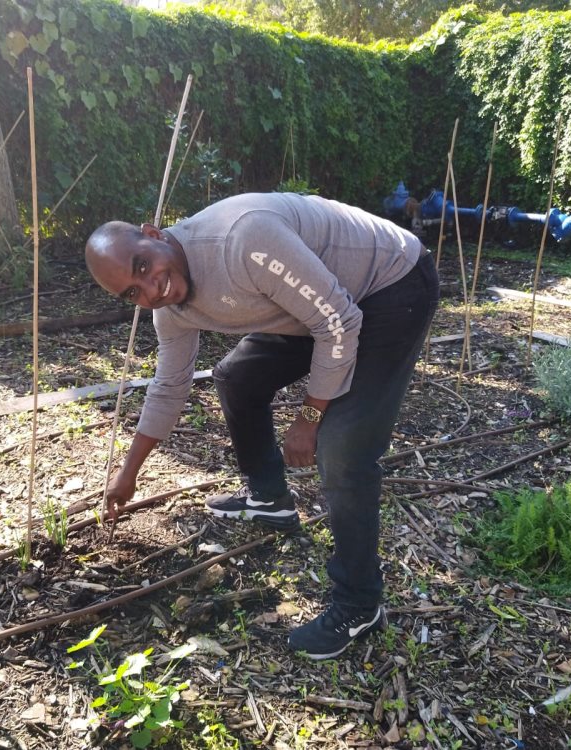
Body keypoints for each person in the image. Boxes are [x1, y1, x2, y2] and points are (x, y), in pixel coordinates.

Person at [85, 192, 439, 659]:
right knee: (236, 377)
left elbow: (339, 323)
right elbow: (169, 386)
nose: (151, 290)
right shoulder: (167, 308)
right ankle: (269, 499)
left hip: (390, 286)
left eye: (143, 267)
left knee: (341, 448)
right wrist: (127, 473)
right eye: (132, 292)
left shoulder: (242, 240)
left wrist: (310, 417)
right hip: (320, 306)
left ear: (154, 235)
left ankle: (359, 603)